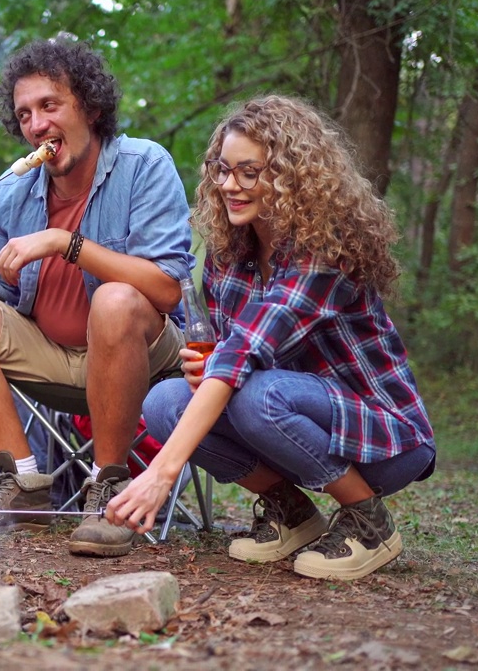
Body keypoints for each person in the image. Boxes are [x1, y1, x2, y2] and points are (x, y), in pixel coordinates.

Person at [0, 39, 195, 557]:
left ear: (89, 108)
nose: (37, 125)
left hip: (144, 360)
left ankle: (109, 484)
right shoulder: (12, 191)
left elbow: (164, 287)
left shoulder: (144, 165)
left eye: (50, 105)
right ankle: (23, 484)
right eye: (25, 114)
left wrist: (64, 244)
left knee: (114, 300)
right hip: (47, 356)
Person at [107, 96, 436, 580]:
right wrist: (205, 366)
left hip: (385, 436)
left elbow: (242, 359)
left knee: (256, 394)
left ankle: (369, 522)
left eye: (248, 172)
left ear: (289, 177)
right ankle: (293, 513)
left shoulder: (326, 253)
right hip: (293, 418)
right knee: (165, 403)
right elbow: (229, 352)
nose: (228, 186)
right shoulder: (229, 254)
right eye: (222, 170)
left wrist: (160, 474)